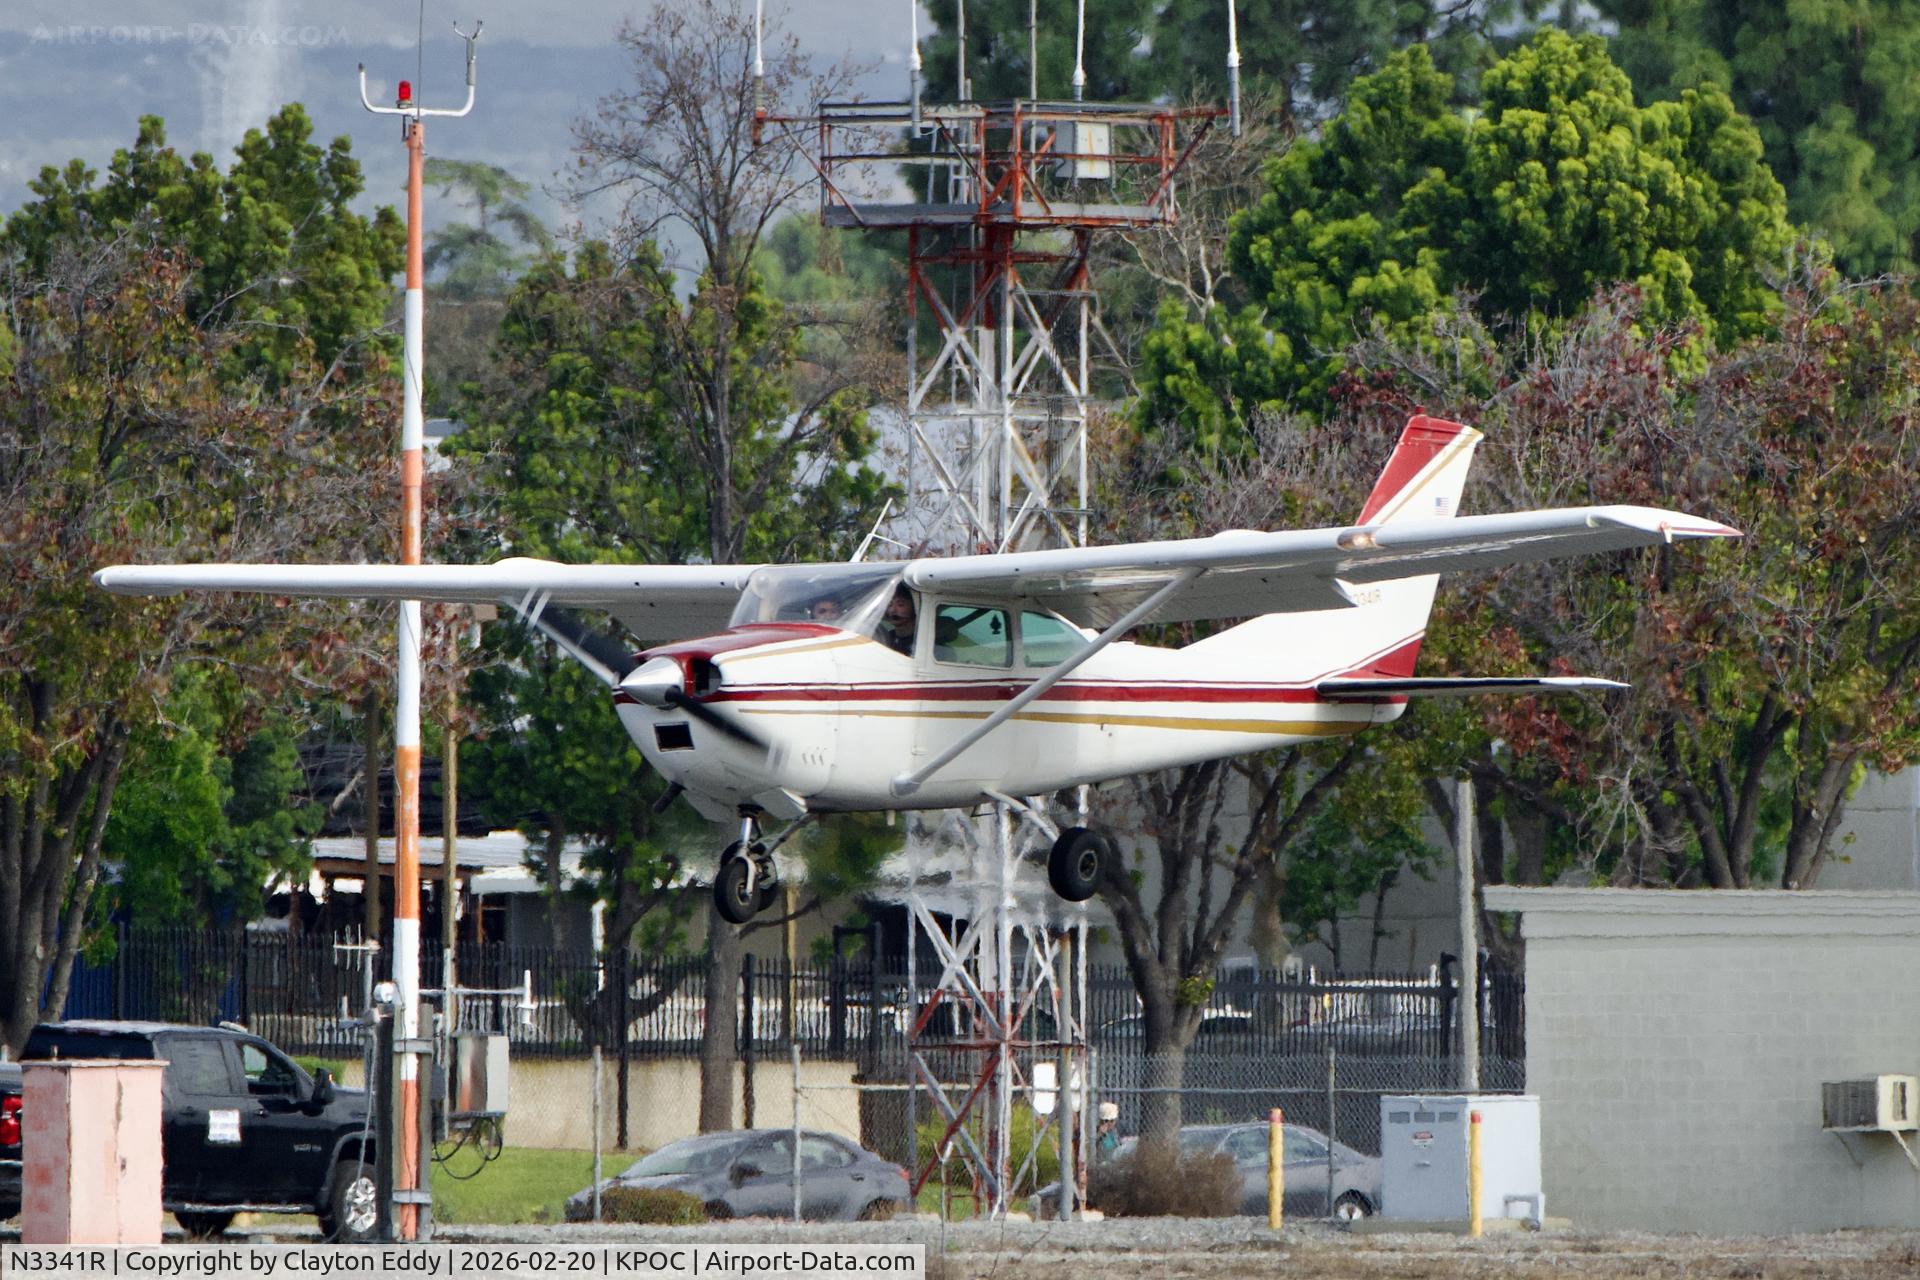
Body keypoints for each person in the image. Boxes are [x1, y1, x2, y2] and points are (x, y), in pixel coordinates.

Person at [880, 588, 916, 655]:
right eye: (890, 605)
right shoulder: (886, 637)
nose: (893, 610)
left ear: (914, 607)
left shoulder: (920, 640)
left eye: (900, 605)